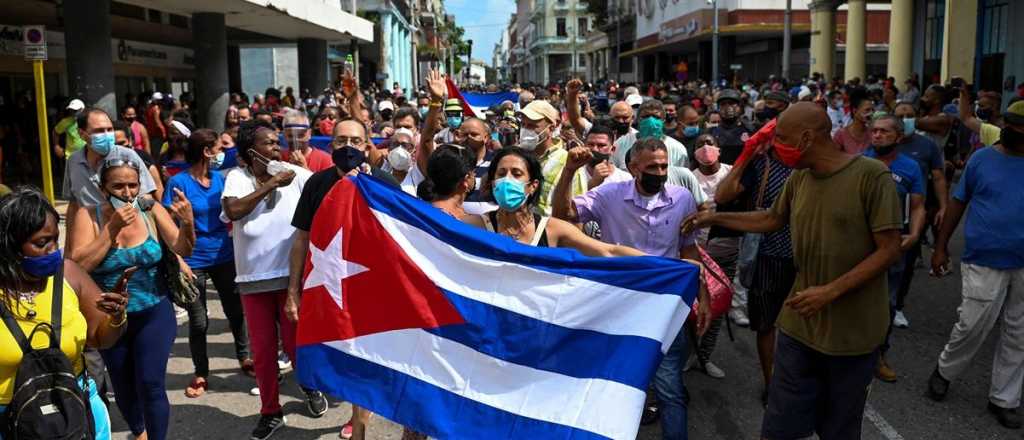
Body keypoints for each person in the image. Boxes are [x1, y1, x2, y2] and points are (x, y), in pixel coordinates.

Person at [685, 102, 902, 440]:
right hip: (799, 328)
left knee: (839, 428)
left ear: (805, 139)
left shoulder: (871, 176)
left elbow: (889, 249)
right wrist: (715, 217)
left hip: (852, 333)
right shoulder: (800, 178)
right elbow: (772, 219)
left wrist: (831, 291)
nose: (775, 145)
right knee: (780, 426)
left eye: (781, 138)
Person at [552, 137, 710, 440]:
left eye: (664, 166)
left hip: (665, 306)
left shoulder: (682, 199)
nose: (660, 172)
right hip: (617, 304)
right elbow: (565, 215)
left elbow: (689, 253)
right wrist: (569, 172)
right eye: (652, 166)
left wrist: (701, 297)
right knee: (607, 382)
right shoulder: (610, 194)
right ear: (633, 167)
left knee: (670, 388)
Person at [67, 157, 196, 440]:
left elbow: (183, 248)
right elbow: (77, 267)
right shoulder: (87, 215)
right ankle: (139, 431)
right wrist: (111, 229)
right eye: (118, 186)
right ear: (103, 189)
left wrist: (187, 223)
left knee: (151, 383)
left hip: (154, 310)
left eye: (132, 186)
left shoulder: (151, 210)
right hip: (109, 318)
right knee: (123, 386)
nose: (127, 193)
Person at [287, 119, 398, 440]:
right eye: (340, 141)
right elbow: (301, 239)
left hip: (371, 288)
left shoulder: (383, 183)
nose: (348, 147)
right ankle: (356, 406)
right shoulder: (316, 184)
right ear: (330, 145)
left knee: (362, 356)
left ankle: (359, 419)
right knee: (337, 355)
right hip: (329, 286)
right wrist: (293, 291)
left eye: (355, 140)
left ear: (367, 145)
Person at [221, 120, 325, 440]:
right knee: (264, 351)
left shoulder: (294, 177)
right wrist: (270, 183)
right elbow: (234, 210)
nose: (276, 148)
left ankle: (308, 386)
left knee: (296, 346)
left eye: (276, 142)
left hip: (290, 279)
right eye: (268, 143)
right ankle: (270, 412)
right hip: (253, 280)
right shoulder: (237, 178)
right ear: (251, 152)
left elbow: (329, 185)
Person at [0, 188, 129, 440]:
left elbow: (101, 338)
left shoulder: (69, 275)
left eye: (55, 239)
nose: (53, 250)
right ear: (11, 245)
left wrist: (116, 317)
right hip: (9, 422)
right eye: (41, 242)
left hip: (75, 413)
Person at [927, 100, 1024, 429]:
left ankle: (1004, 399)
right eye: (1015, 128)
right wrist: (940, 246)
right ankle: (945, 371)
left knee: (1019, 333)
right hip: (984, 258)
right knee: (973, 323)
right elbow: (957, 204)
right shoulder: (982, 159)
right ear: (1005, 126)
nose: (1018, 135)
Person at [164, 129, 252, 398]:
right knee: (199, 321)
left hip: (224, 256)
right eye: (217, 147)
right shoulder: (178, 183)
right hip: (193, 260)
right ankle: (201, 371)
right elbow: (167, 224)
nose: (221, 153)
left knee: (236, 312)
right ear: (206, 151)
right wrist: (178, 260)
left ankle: (245, 357)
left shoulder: (221, 180)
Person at [862, 115, 926, 383]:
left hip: (893, 246)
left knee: (886, 304)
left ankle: (878, 355)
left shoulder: (910, 167)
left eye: (884, 132)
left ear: (898, 137)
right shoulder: (858, 162)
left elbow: (918, 205)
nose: (877, 135)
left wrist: (914, 234)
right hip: (859, 244)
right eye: (874, 131)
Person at [892, 102, 948, 328]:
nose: (905, 119)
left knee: (905, 263)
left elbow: (938, 177)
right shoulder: (883, 144)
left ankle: (896, 306)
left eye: (909, 115)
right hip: (882, 213)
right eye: (900, 115)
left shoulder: (927, 146)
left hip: (914, 213)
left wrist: (943, 206)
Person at [517, 100, 567, 216]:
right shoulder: (514, 156)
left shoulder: (567, 161)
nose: (525, 131)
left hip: (549, 230)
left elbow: (575, 211)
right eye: (523, 125)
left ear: (551, 128)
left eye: (532, 126)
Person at [611, 99, 689, 170]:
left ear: (663, 120)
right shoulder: (621, 144)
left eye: (656, 117)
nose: (651, 121)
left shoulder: (678, 149)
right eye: (646, 116)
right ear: (638, 119)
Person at [707, 89, 754, 164]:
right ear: (718, 108)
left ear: (740, 107)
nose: (727, 107)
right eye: (723, 104)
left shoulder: (750, 130)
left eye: (731, 103)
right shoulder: (711, 132)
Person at [832, 87, 874, 155]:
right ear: (855, 111)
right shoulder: (841, 135)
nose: (871, 113)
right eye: (867, 110)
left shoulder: (873, 134)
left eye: (872, 110)